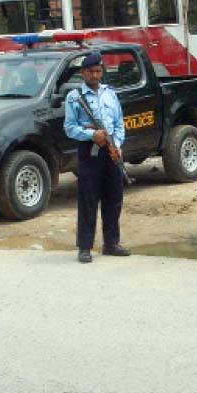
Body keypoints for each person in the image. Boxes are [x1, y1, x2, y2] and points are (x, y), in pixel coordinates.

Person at [64, 52, 130, 263]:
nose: (95, 75)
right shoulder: (74, 97)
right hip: (89, 154)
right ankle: (85, 247)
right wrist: (92, 135)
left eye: (98, 71)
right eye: (91, 71)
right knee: (88, 201)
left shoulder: (110, 94)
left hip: (111, 153)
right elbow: (69, 128)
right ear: (83, 73)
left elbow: (119, 123)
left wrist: (117, 145)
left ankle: (111, 243)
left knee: (114, 198)